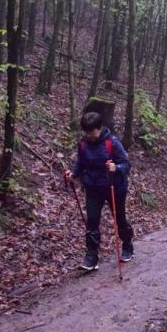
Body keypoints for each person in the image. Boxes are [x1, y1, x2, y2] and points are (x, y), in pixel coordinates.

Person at [64, 112, 134, 270]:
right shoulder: (83, 144)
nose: (89, 135)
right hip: (93, 187)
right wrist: (73, 174)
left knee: (120, 220)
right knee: (92, 222)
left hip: (114, 187)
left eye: (92, 132)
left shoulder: (112, 143)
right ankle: (91, 257)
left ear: (100, 128)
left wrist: (116, 167)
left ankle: (128, 245)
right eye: (86, 132)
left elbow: (126, 164)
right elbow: (80, 163)